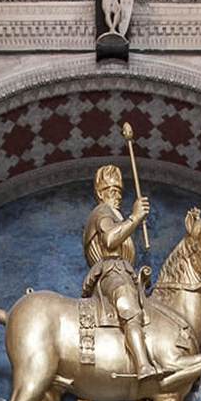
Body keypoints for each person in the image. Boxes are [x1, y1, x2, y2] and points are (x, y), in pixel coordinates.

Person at [82, 163, 156, 380]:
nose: (117, 197)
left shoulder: (113, 214)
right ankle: (142, 365)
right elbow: (110, 239)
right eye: (112, 192)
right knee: (129, 307)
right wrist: (135, 217)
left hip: (123, 271)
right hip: (110, 271)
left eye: (119, 192)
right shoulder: (102, 212)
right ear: (100, 194)